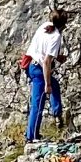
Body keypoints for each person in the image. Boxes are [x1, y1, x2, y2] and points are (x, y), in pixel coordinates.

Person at [23, 14, 66, 144]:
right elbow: (47, 61)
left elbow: (43, 48)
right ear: (64, 24)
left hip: (31, 64)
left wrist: (57, 57)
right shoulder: (56, 36)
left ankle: (57, 113)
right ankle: (31, 136)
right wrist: (47, 84)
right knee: (38, 103)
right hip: (39, 70)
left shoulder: (45, 26)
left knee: (55, 85)